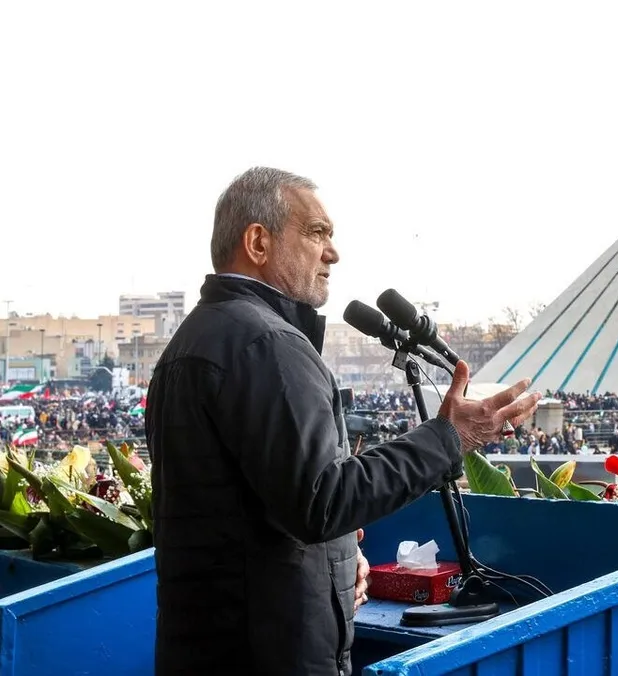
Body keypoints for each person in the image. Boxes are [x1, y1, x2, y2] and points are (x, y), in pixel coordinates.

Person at [145, 167, 541, 676]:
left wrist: (335, 560)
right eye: (317, 233)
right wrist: (450, 437)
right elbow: (322, 501)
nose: (332, 253)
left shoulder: (194, 340)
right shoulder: (268, 344)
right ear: (258, 242)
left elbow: (254, 506)